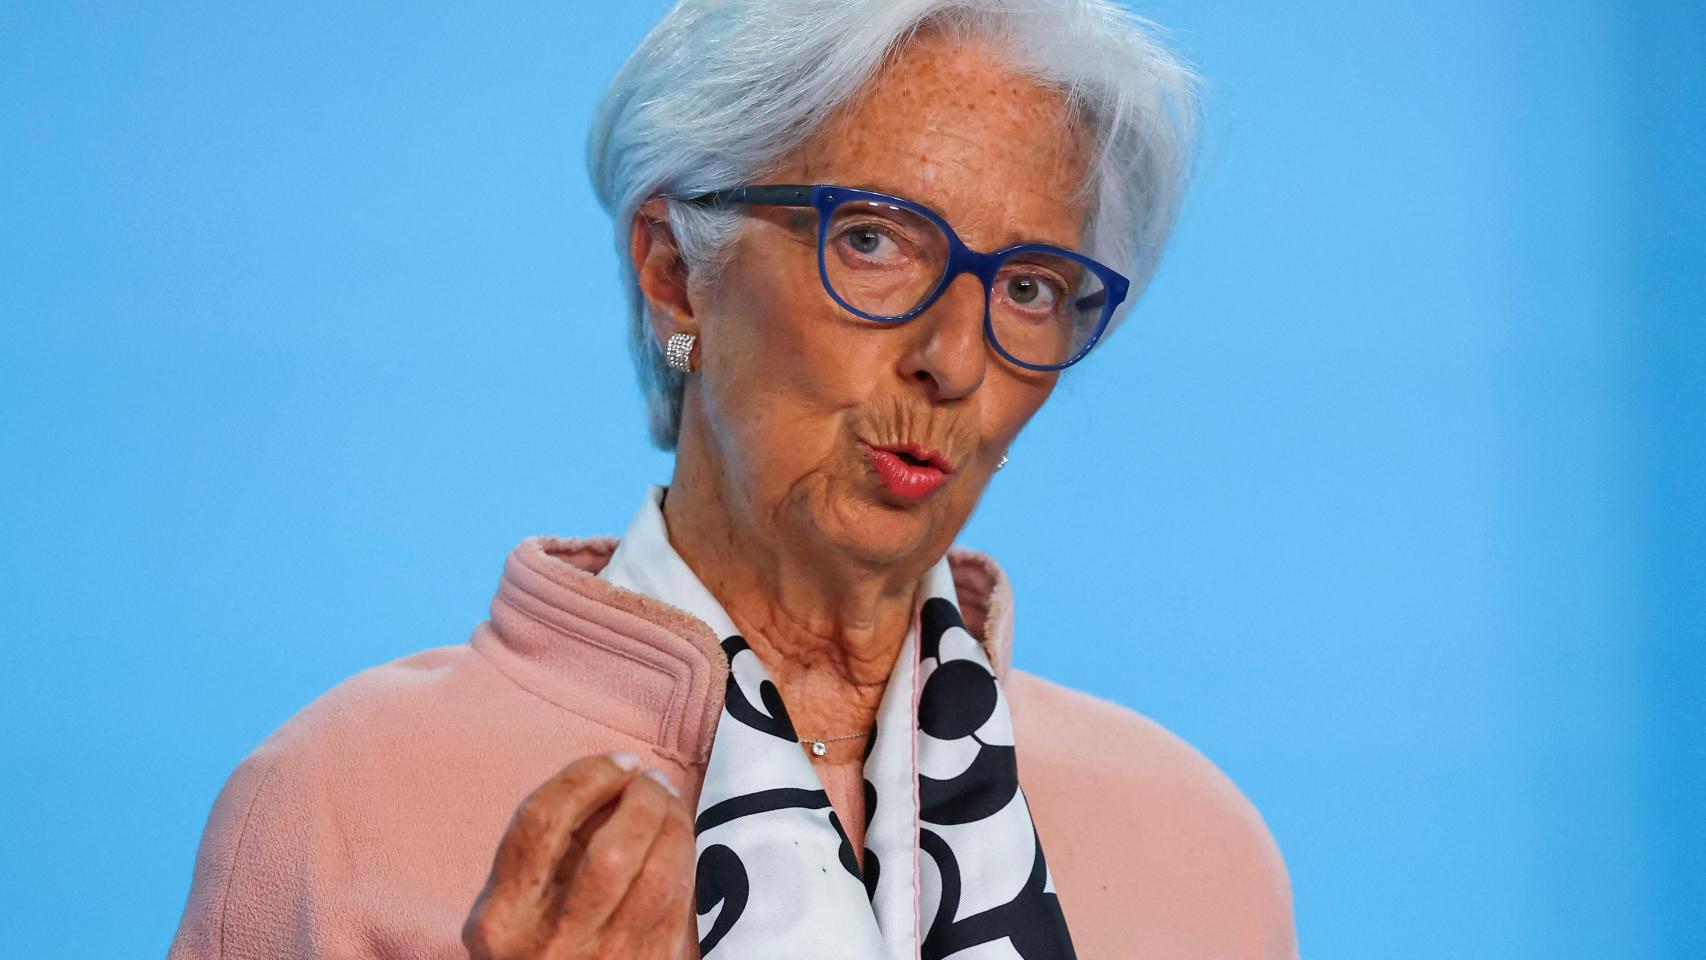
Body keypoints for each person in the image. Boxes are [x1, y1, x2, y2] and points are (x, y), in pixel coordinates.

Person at [167, 1, 1297, 957]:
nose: (954, 359)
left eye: (1032, 288)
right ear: (673, 274)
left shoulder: (1197, 852)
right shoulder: (337, 805)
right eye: (873, 239)